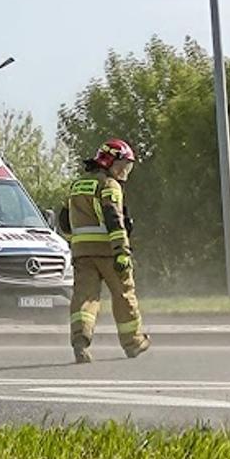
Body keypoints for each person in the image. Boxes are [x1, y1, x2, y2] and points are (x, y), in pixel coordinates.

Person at [64, 138, 150, 364]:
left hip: (82, 254)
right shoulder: (109, 185)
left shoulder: (77, 185)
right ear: (109, 161)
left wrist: (77, 244)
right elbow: (114, 219)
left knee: (84, 298)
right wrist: (122, 251)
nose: (124, 172)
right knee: (124, 294)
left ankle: (80, 341)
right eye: (122, 165)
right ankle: (134, 342)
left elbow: (64, 222)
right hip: (109, 252)